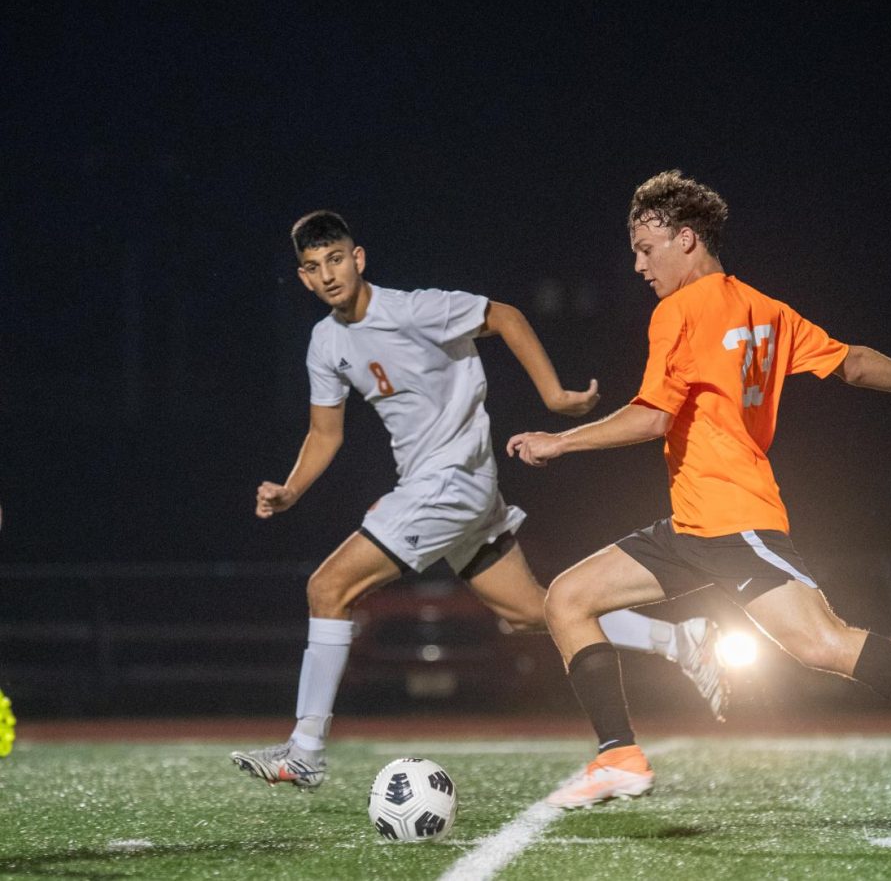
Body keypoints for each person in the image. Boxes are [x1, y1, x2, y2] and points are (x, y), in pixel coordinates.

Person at [231, 210, 727, 790]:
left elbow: (507, 317)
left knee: (326, 587)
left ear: (358, 258)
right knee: (529, 613)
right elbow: (325, 433)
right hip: (441, 487)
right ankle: (680, 640)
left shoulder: (416, 309)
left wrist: (555, 396)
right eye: (315, 268)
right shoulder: (325, 341)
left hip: (450, 483)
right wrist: (291, 489)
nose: (329, 275)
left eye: (336, 259)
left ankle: (306, 750)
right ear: (303, 278)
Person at [508, 170, 891, 809]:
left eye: (645, 247)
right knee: (569, 599)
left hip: (733, 518)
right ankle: (620, 757)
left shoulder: (679, 311)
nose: (637, 264)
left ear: (686, 238)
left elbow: (653, 416)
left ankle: (619, 757)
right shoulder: (764, 308)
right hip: (693, 523)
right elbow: (852, 362)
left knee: (825, 643)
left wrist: (561, 441)